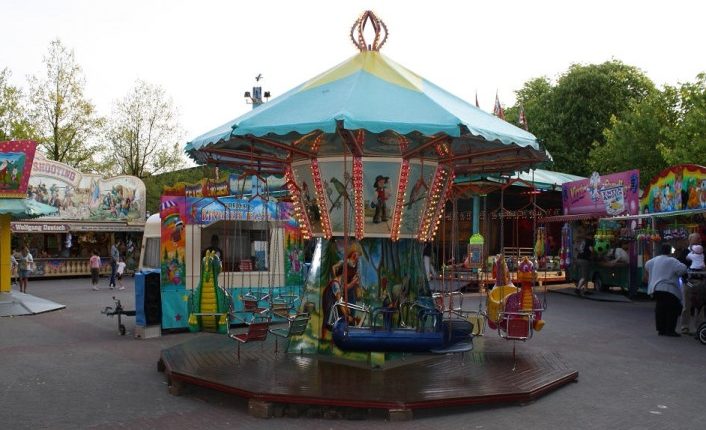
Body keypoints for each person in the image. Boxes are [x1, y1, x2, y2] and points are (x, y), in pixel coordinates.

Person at [644, 243, 687, 337]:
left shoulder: (655, 260)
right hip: (669, 289)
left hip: (656, 288)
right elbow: (683, 269)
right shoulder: (672, 260)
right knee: (672, 309)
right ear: (670, 251)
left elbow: (647, 265)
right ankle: (670, 330)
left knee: (660, 308)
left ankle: (661, 329)